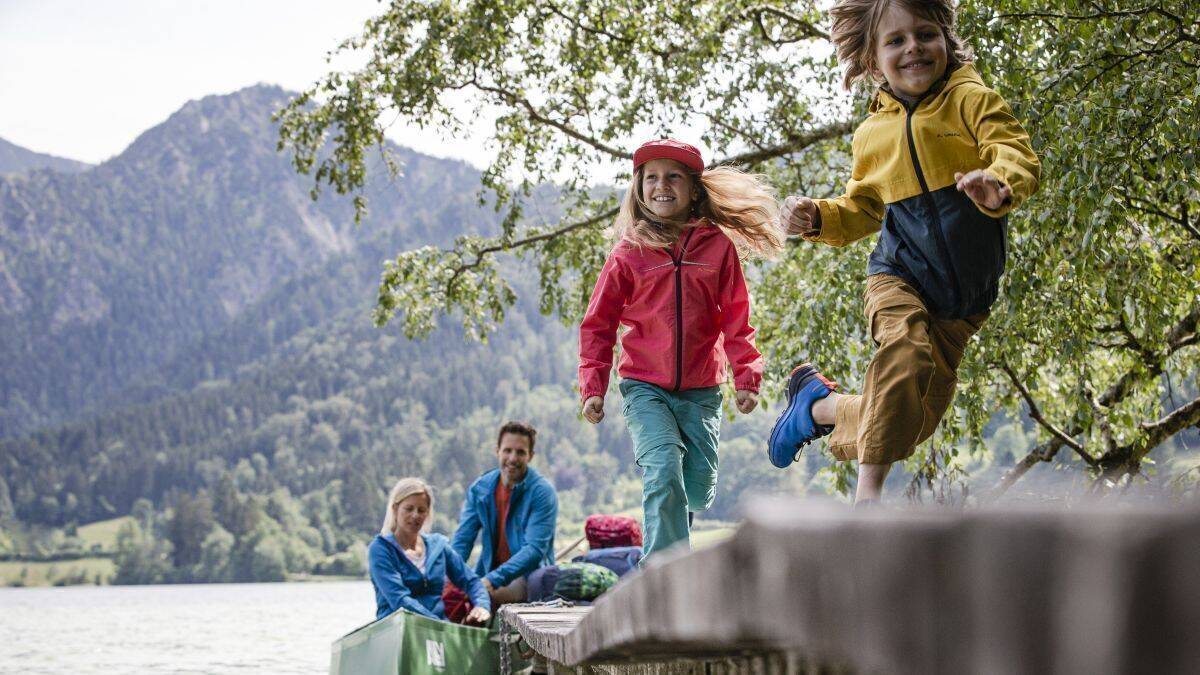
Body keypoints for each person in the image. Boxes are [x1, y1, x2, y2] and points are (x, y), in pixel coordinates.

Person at [767, 0, 1040, 504]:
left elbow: (1014, 151)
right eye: (895, 40)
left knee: (911, 421)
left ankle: (817, 408)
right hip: (898, 278)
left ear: (946, 41)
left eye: (925, 34)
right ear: (873, 62)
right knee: (906, 354)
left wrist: (998, 183)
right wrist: (818, 218)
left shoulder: (971, 101)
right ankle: (867, 501)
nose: (913, 47)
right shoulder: (873, 134)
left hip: (964, 305)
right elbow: (864, 210)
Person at [578, 138, 784, 561]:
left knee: (695, 487)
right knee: (663, 470)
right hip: (644, 387)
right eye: (651, 177)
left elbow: (736, 317)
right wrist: (593, 385)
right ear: (638, 188)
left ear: (693, 188)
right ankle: (661, 576)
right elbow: (598, 324)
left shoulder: (717, 248)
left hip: (701, 389)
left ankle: (675, 546)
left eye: (673, 176)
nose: (661, 185)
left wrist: (746, 376)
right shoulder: (628, 253)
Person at [451, 421, 558, 606]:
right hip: (488, 570)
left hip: (528, 576)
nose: (513, 458)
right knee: (449, 597)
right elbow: (463, 540)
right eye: (507, 450)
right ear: (497, 451)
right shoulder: (481, 489)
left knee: (480, 599)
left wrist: (492, 580)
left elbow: (533, 550)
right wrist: (449, 577)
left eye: (520, 452)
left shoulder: (542, 492)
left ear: (530, 456)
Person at [368, 477, 491, 623]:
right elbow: (399, 599)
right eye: (409, 509)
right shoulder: (380, 549)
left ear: (427, 513)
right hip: (396, 627)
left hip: (437, 631)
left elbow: (471, 581)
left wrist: (482, 606)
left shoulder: (438, 546)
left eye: (421, 510)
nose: (415, 515)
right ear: (395, 509)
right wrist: (438, 625)